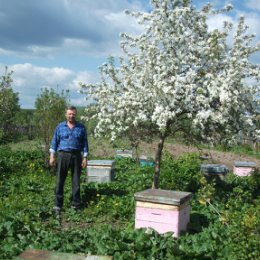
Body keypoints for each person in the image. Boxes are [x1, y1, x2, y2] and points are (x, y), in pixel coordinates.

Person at [49, 106, 88, 216]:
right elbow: (54, 142)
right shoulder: (60, 127)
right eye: (69, 114)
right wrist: (52, 156)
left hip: (76, 156)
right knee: (60, 180)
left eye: (73, 114)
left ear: (76, 114)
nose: (71, 116)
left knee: (76, 181)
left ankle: (76, 204)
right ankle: (58, 205)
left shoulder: (81, 127)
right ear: (66, 114)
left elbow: (85, 143)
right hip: (63, 155)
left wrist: (85, 157)